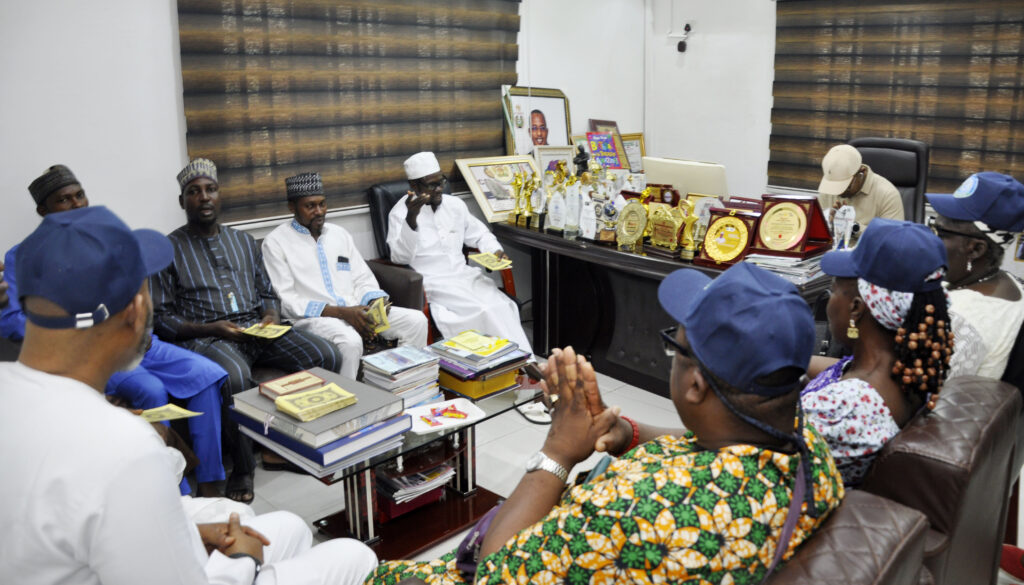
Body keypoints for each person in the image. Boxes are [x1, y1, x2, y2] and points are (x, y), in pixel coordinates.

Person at [367, 262, 843, 584]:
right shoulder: (807, 445)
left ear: (696, 385)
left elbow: (495, 576)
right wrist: (628, 433)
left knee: (354, 564)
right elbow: (718, 443)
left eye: (674, 347)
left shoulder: (635, 510)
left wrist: (557, 452)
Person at [0, 205, 378, 585]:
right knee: (354, 555)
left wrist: (194, 534)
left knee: (291, 527)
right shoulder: (127, 446)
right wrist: (244, 559)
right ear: (134, 310)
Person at [0, 164, 228, 498]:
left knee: (208, 374)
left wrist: (137, 325)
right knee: (150, 390)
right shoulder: (23, 257)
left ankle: (211, 482)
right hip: (89, 352)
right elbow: (12, 321)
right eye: (64, 199)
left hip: (138, 342)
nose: (77, 204)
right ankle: (175, 493)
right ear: (43, 211)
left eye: (80, 195)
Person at [152, 158, 343, 503]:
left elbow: (268, 292)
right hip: (210, 337)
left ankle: (293, 447)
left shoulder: (243, 241)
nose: (204, 197)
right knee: (235, 376)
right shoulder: (167, 250)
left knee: (326, 353)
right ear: (183, 201)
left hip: (257, 330)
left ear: (220, 195)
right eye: (194, 192)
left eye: (211, 189)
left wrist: (270, 315)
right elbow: (162, 318)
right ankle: (243, 468)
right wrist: (212, 327)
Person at [802, 218, 953, 486]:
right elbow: (840, 370)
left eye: (832, 290)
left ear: (856, 309)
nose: (829, 301)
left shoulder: (841, 409)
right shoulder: (907, 369)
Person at [262, 172, 428, 379]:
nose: (319, 211)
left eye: (322, 204)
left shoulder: (339, 234)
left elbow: (362, 278)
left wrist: (374, 303)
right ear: (292, 207)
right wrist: (342, 313)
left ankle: (401, 386)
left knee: (416, 321)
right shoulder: (276, 242)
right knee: (349, 341)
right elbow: (286, 301)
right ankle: (347, 396)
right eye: (310, 206)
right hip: (313, 319)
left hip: (356, 310)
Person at [388, 152, 531, 351]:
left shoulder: (454, 205)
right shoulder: (400, 213)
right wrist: (411, 220)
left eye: (441, 182)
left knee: (503, 306)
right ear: (414, 186)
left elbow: (480, 234)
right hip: (434, 283)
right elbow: (399, 257)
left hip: (465, 276)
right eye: (432, 185)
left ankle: (521, 361)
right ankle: (491, 364)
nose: (439, 189)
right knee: (483, 310)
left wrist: (495, 250)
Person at [925, 172, 1024, 380]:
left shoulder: (959, 319)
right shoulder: (1014, 284)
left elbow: (917, 391)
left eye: (941, 233)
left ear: (976, 249)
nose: (932, 241)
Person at [817, 144, 904, 230]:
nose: (839, 193)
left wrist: (852, 226)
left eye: (846, 187)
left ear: (861, 172)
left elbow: (892, 236)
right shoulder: (828, 188)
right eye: (833, 187)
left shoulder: (888, 194)